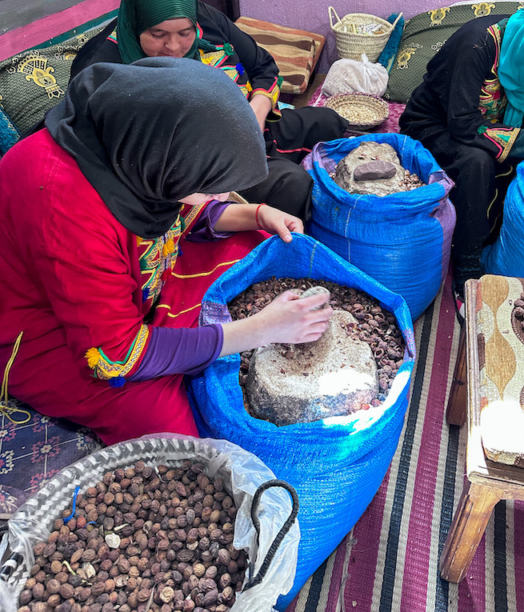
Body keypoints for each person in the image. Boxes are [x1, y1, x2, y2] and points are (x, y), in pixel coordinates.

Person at [0, 58, 333, 445]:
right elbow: (115, 355)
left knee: (254, 245)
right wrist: (261, 329)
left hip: (113, 278)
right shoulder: (62, 204)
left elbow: (179, 211)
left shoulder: (131, 144)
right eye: (211, 186)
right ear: (163, 164)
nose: (220, 197)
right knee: (170, 431)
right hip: (43, 329)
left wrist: (256, 213)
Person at [71, 0, 347, 222]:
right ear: (135, 18)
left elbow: (263, 67)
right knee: (292, 184)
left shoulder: (205, 19)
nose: (174, 47)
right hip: (201, 170)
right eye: (157, 34)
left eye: (185, 32)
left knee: (331, 122)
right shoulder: (101, 69)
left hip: (252, 126)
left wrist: (256, 111)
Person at [400, 0, 524, 298]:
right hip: (435, 124)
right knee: (477, 162)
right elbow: (464, 123)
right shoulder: (477, 45)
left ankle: (499, 236)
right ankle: (467, 260)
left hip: (493, 124)